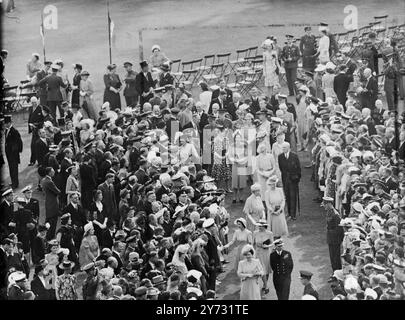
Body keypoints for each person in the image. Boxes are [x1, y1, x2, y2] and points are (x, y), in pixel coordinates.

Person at [278, 142, 301, 220]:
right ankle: (289, 212)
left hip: (293, 180)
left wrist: (297, 178)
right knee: (287, 196)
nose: (283, 149)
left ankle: (293, 214)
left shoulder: (294, 156)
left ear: (288, 148)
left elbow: (298, 168)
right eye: (282, 148)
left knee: (293, 196)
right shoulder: (280, 157)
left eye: (284, 148)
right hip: (285, 179)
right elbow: (281, 168)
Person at [322, 196, 344, 271]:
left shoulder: (335, 215)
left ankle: (337, 273)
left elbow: (339, 229)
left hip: (335, 240)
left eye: (325, 204)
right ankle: (334, 272)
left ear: (329, 204)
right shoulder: (329, 212)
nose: (324, 206)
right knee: (332, 257)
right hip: (331, 239)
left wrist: (331, 233)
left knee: (336, 258)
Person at [253, 219, 273, 294]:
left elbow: (272, 243)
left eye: (261, 226)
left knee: (266, 270)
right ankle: (266, 285)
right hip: (258, 253)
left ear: (265, 226)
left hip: (266, 253)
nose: (259, 227)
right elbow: (253, 243)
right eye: (258, 226)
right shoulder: (255, 233)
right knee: (261, 270)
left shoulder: (269, 233)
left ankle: (265, 284)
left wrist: (267, 245)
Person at [41, 167, 61, 240]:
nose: (54, 172)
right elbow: (57, 191)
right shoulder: (49, 182)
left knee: (49, 221)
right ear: (49, 173)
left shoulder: (43, 180)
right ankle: (50, 237)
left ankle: (48, 236)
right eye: (52, 171)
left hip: (48, 202)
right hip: (53, 204)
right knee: (53, 222)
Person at [4, 115, 23, 188]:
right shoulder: (7, 130)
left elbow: (19, 143)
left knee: (14, 169)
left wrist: (15, 152)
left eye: (6, 123)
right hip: (9, 154)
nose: (5, 125)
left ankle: (15, 184)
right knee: (11, 168)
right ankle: (13, 181)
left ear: (9, 123)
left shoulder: (14, 131)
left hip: (13, 155)